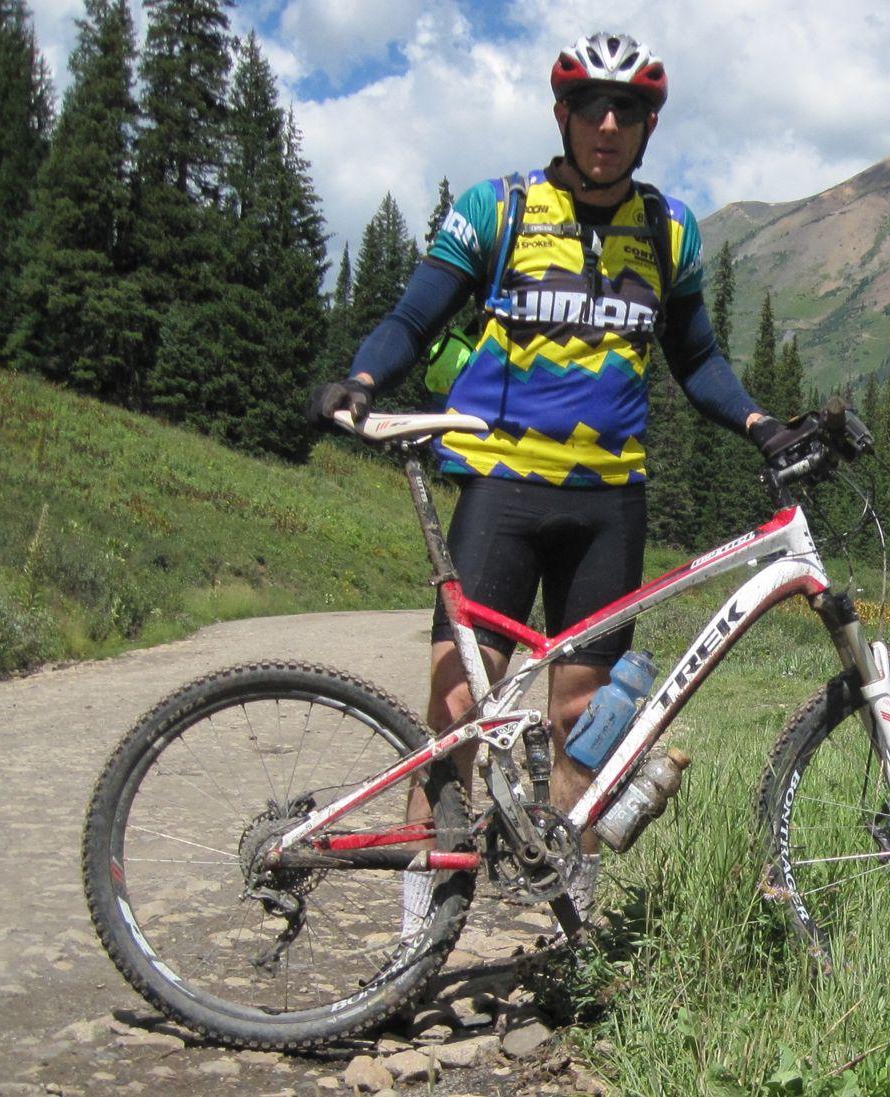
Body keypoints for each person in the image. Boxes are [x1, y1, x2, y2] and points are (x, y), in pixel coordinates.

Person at [310, 31, 789, 931]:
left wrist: (761, 424)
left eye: (628, 110)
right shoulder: (498, 209)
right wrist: (364, 378)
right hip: (503, 486)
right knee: (459, 702)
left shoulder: (669, 232)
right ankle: (419, 929)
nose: (608, 125)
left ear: (648, 126)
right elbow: (415, 316)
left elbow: (698, 360)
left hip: (610, 502)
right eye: (591, 107)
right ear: (563, 115)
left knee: (584, 716)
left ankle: (569, 922)